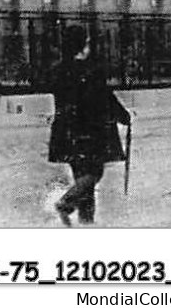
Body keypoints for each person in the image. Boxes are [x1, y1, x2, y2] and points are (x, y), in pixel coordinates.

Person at [50, 25, 130, 226]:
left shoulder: (59, 69)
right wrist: (123, 116)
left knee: (81, 176)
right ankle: (67, 203)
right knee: (94, 173)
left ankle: (86, 222)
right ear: (83, 45)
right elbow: (105, 97)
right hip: (90, 129)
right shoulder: (92, 70)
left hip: (66, 130)